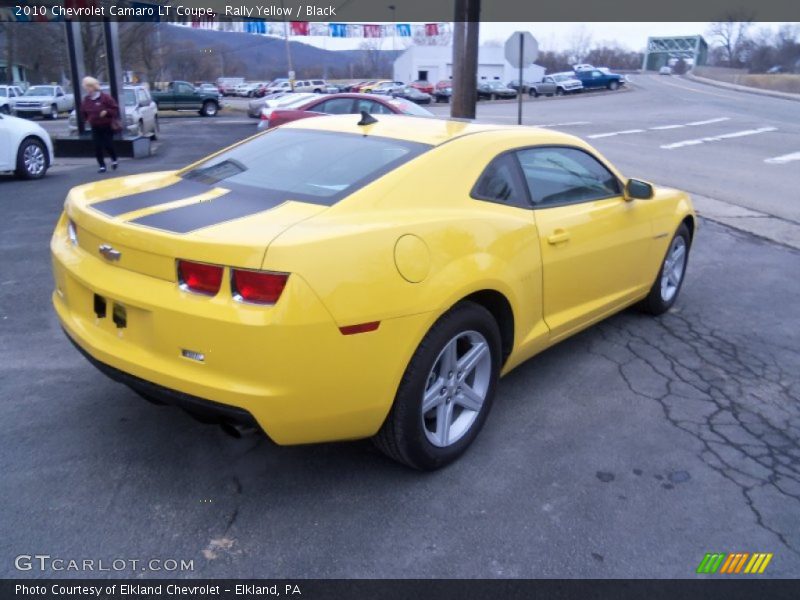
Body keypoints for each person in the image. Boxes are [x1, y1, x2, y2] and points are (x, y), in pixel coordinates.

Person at [79, 76, 120, 173]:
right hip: (95, 126)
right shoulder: (86, 100)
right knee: (97, 146)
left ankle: (114, 159)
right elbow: (83, 111)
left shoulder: (105, 97)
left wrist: (106, 112)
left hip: (107, 125)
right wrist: (87, 119)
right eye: (86, 87)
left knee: (108, 144)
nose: (88, 89)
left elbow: (115, 109)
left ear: (94, 87)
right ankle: (102, 165)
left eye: (89, 87)